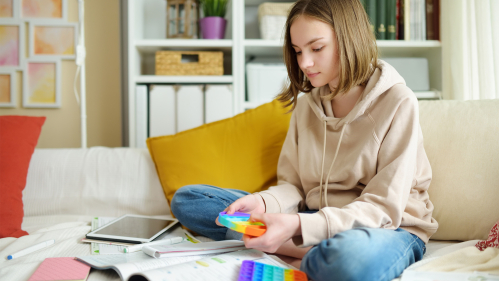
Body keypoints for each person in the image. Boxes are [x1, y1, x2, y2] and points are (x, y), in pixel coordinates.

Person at [170, 0, 438, 280]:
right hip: (313, 215)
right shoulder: (306, 105)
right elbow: (294, 186)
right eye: (298, 51)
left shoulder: (398, 101)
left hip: (386, 227)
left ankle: (294, 246)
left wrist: (297, 224)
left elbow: (384, 208)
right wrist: (264, 203)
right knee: (190, 201)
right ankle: (304, 248)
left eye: (317, 48)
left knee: (350, 262)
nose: (304, 63)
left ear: (349, 38)